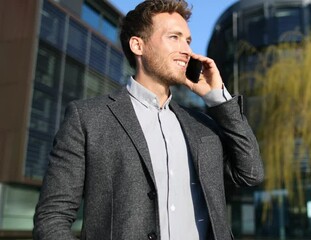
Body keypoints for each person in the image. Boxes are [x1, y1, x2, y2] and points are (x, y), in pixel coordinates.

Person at [33, 1, 264, 239]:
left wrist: (218, 98)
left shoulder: (202, 125)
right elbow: (52, 218)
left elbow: (251, 172)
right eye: (174, 37)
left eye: (188, 40)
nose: (187, 50)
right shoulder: (88, 119)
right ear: (138, 45)